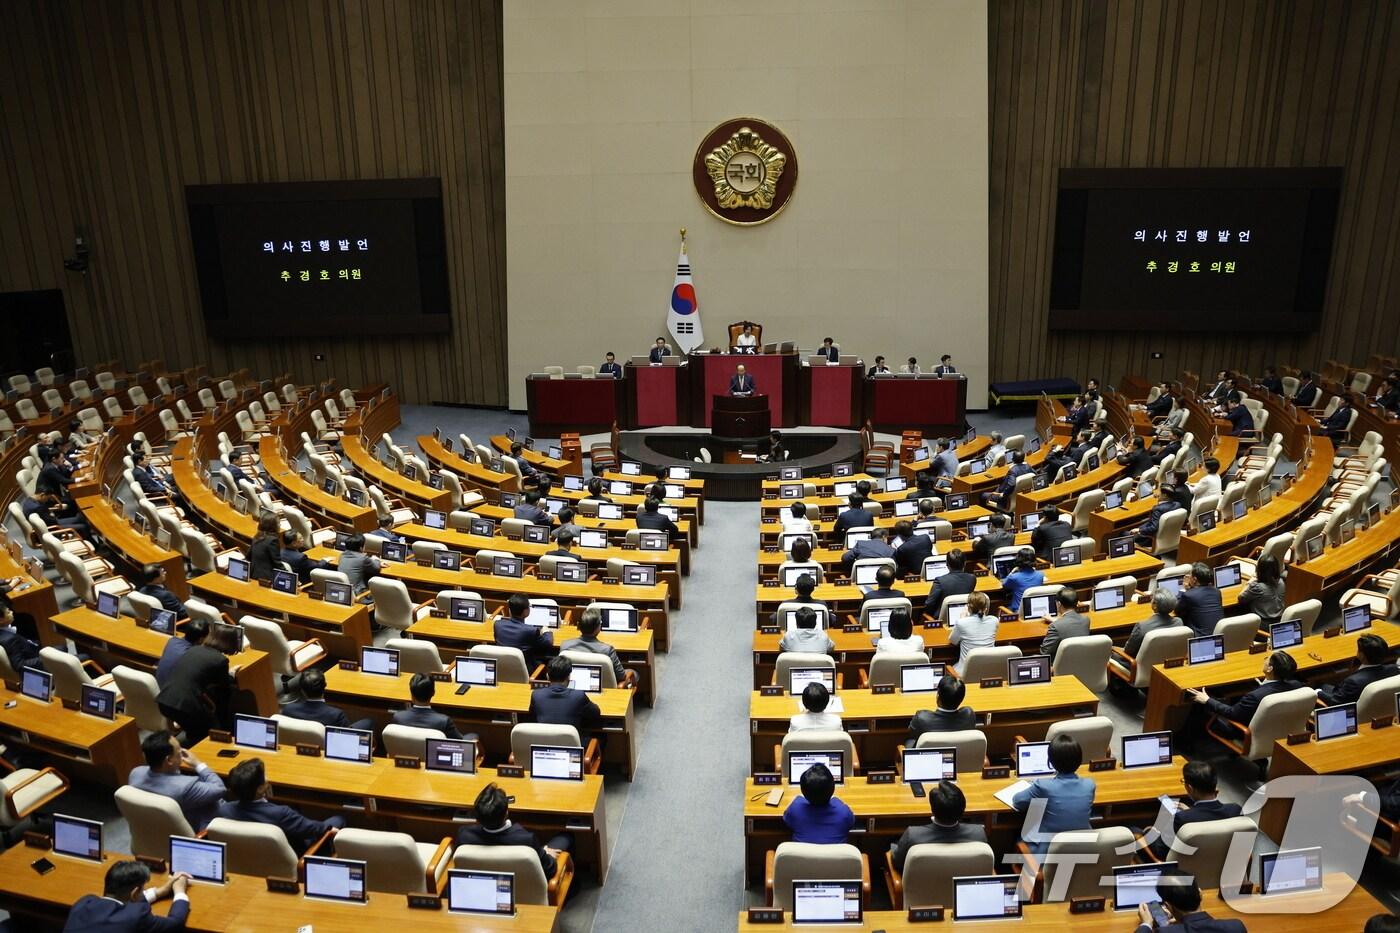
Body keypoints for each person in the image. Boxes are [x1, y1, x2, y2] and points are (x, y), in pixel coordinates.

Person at [215, 757, 345, 853]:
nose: (267, 777)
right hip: (296, 852)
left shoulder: (224, 810)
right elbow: (314, 828)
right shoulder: (281, 814)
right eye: (264, 775)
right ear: (260, 789)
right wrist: (328, 829)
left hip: (255, 857)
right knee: (339, 819)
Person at [454, 783, 571, 879]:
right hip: (527, 891)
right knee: (566, 836)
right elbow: (550, 870)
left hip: (484, 885)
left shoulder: (464, 835)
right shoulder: (526, 840)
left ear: (477, 818)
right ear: (506, 813)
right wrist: (546, 854)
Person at [1185, 651, 1303, 743]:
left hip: (1244, 732)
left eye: (1267, 659)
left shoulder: (1255, 696)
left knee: (1201, 709)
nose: (1265, 659)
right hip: (1279, 728)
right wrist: (1264, 687)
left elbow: (1232, 713)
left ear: (1270, 669)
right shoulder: (1297, 685)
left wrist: (1207, 700)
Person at [155, 623, 239, 744]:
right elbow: (224, 686)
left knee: (195, 729)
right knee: (213, 729)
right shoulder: (220, 660)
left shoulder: (193, 649)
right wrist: (231, 675)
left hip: (164, 701)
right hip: (185, 706)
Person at [1011, 734, 1094, 854]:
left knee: (1018, 834)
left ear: (1050, 761)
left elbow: (1018, 802)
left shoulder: (1043, 786)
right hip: (1082, 850)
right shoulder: (1089, 785)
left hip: (1047, 853)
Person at [128, 731, 227, 831]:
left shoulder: (135, 774)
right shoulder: (185, 787)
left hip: (157, 828)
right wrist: (198, 764)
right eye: (179, 750)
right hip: (198, 827)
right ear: (169, 760)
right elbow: (220, 789)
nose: (182, 752)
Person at [1147, 761, 1243, 860]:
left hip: (1186, 872)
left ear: (1190, 788)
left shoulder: (1182, 819)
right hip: (1224, 866)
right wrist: (1191, 811)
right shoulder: (1236, 810)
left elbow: (1161, 852)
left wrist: (1150, 831)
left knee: (1136, 831)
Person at [63, 859, 192, 932]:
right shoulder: (136, 916)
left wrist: (159, 892)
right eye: (142, 890)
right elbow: (175, 924)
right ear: (135, 893)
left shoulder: (84, 902)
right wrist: (179, 891)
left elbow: (126, 903)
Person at [889, 780, 987, 872]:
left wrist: (892, 846)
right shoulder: (979, 834)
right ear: (963, 810)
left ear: (932, 810)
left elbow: (897, 862)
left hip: (923, 888)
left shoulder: (913, 835)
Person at [1132, 868, 1246, 933]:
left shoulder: (1164, 932)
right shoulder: (1236, 927)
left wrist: (1146, 924)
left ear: (1168, 906)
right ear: (1200, 894)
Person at [560, 607, 636, 687]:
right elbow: (621, 677)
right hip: (606, 692)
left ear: (579, 626)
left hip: (573, 689)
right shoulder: (607, 650)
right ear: (598, 628)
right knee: (633, 672)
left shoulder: (565, 645)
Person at [530, 655, 601, 739]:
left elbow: (532, 715)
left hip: (545, 743)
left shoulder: (536, 695)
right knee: (601, 736)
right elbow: (596, 713)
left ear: (547, 676)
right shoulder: (578, 696)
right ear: (569, 677)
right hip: (572, 747)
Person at [782, 762, 854, 844]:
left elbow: (787, 820)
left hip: (803, 857)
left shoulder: (795, 808)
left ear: (803, 791)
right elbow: (851, 823)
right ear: (833, 788)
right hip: (835, 856)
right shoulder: (843, 812)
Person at [282, 668, 374, 731]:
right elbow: (346, 736)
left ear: (302, 691)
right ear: (325, 686)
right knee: (368, 722)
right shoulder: (336, 715)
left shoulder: (288, 709)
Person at [1319, 633, 1398, 706]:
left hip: (1348, 703)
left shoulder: (1353, 682)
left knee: (1319, 686)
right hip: (1380, 706)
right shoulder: (1394, 669)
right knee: (1324, 686)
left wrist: (1316, 692)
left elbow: (1335, 702)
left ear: (1362, 656)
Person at [391, 672, 466, 740]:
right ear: (433, 693)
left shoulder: (398, 717)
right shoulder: (444, 721)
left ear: (411, 694)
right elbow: (461, 743)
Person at [906, 674, 977, 744]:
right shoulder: (969, 715)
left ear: (938, 697)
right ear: (961, 699)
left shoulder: (921, 718)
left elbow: (912, 734)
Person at [493, 593, 553, 668]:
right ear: (526, 611)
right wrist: (547, 631)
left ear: (509, 610)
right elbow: (548, 644)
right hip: (527, 670)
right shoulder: (531, 630)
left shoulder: (498, 625)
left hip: (502, 668)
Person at [1122, 589, 1181, 658]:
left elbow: (1128, 651)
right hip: (1167, 661)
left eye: (1152, 600)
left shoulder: (1142, 626)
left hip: (1138, 665)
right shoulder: (1179, 622)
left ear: (1155, 605)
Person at [923, 549, 976, 620]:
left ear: (947, 565)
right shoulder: (972, 579)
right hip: (965, 615)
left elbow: (929, 605)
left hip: (942, 619)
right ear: (965, 563)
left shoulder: (940, 581)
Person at [947, 591, 997, 666]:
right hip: (989, 668)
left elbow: (953, 641)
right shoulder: (994, 620)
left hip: (965, 672)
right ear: (986, 608)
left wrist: (962, 619)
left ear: (968, 608)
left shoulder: (961, 623)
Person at [154, 617, 207, 687]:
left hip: (158, 685)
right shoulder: (192, 654)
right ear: (201, 639)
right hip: (171, 692)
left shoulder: (172, 640)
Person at [1040, 587, 1089, 661]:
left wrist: (1056, 623)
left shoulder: (1055, 627)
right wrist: (1056, 621)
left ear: (1059, 604)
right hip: (1082, 661)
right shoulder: (1086, 620)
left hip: (1061, 666)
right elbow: (1070, 624)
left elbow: (1044, 652)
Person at [0, 594, 44, 675]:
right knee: (62, 649)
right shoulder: (10, 640)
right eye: (8, 612)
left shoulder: (5, 633)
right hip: (37, 665)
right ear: (1, 620)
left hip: (31, 649)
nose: (12, 612)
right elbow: (20, 665)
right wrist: (46, 660)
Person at [1177, 562, 1224, 637]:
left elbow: (1177, 611)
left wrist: (1182, 591)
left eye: (1191, 576)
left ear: (1194, 579)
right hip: (1218, 634)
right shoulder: (1217, 592)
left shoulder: (1188, 595)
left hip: (1200, 637)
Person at [1236, 554, 1284, 626]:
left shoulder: (1257, 587)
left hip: (1263, 623)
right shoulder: (1281, 582)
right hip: (1279, 620)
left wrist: (1250, 582)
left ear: (1259, 570)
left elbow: (1241, 598)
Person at [999, 547, 1043, 613]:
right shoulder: (1040, 575)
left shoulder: (1014, 577)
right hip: (1035, 609)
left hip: (1018, 611)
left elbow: (1004, 585)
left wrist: (1011, 573)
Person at [247, 513, 282, 582]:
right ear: (272, 526)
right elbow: (277, 564)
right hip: (267, 578)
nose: (280, 525)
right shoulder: (272, 540)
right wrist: (290, 575)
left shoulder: (257, 537)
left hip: (253, 574)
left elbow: (248, 556)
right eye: (278, 523)